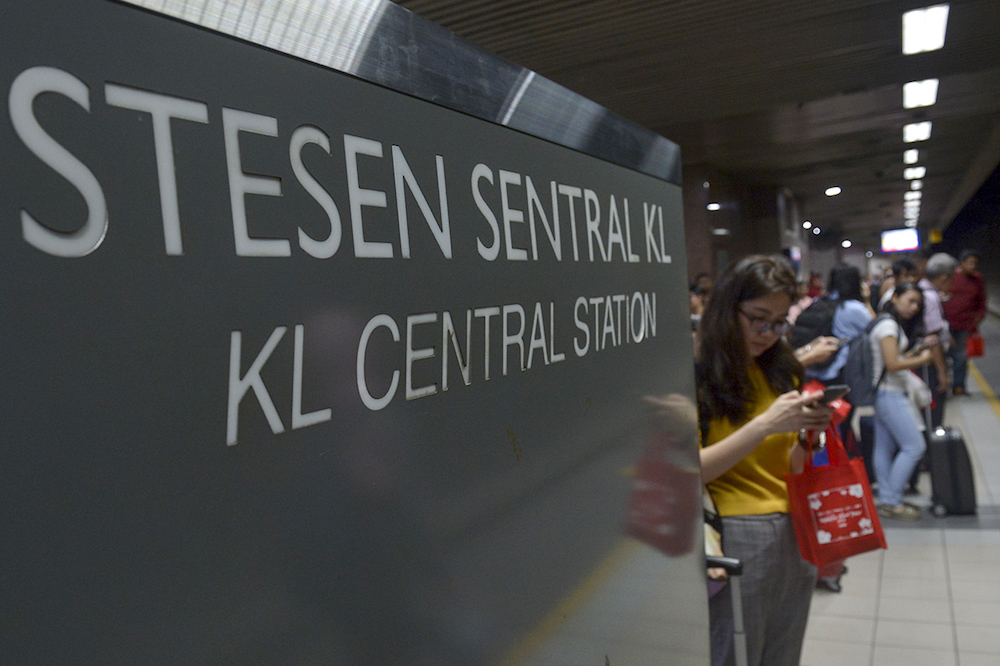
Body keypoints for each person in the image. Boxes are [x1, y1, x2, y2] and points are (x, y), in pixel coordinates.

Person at [697, 255, 833, 666]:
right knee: (735, 654)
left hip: (795, 526)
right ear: (727, 308)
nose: (768, 333)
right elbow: (688, 471)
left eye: (778, 322)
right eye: (757, 318)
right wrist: (764, 425)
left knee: (783, 655)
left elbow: (790, 467)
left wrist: (808, 437)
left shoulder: (782, 367)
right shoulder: (696, 372)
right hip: (735, 531)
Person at [871, 283, 934, 519]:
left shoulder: (885, 322)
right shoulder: (888, 325)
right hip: (890, 393)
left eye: (918, 303)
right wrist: (923, 359)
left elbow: (895, 359)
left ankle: (889, 499)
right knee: (914, 446)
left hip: (884, 392)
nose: (914, 307)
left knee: (884, 448)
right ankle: (892, 499)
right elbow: (893, 364)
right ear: (895, 297)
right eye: (910, 300)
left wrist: (916, 352)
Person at [805, 264, 875, 384]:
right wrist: (867, 300)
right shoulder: (854, 308)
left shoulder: (818, 301)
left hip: (817, 367)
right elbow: (876, 326)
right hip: (842, 367)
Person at [918, 252, 958, 427]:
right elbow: (932, 337)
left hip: (921, 361)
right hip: (929, 364)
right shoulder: (931, 297)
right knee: (934, 408)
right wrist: (942, 372)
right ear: (943, 277)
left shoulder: (921, 289)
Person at [943, 249, 987, 395]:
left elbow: (982, 301)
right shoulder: (951, 277)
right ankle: (944, 383)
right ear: (961, 263)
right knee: (945, 354)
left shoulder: (977, 279)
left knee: (961, 356)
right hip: (947, 324)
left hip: (966, 324)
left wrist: (977, 318)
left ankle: (958, 386)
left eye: (975, 263)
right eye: (969, 263)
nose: (972, 266)